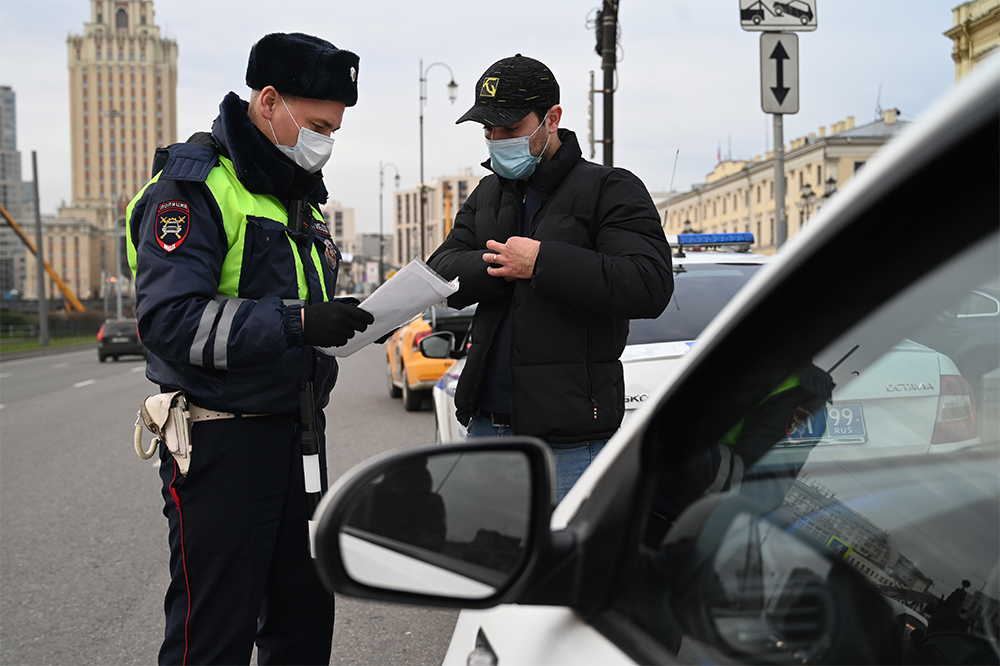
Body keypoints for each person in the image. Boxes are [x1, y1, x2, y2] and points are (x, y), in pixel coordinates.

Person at [126, 33, 373, 665]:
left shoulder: (293, 192)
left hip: (298, 441)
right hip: (222, 446)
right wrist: (298, 323)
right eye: (317, 123)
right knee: (213, 639)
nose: (326, 139)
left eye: (335, 128)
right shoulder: (194, 187)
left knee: (302, 628)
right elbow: (170, 322)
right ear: (268, 102)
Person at [427, 54, 674, 502]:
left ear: (552, 118)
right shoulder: (487, 194)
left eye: (510, 129)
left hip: (569, 441)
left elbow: (649, 282)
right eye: (488, 131)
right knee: (485, 564)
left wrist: (543, 263)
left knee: (563, 568)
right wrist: (501, 267)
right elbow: (442, 268)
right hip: (486, 425)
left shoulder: (609, 188)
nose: (496, 141)